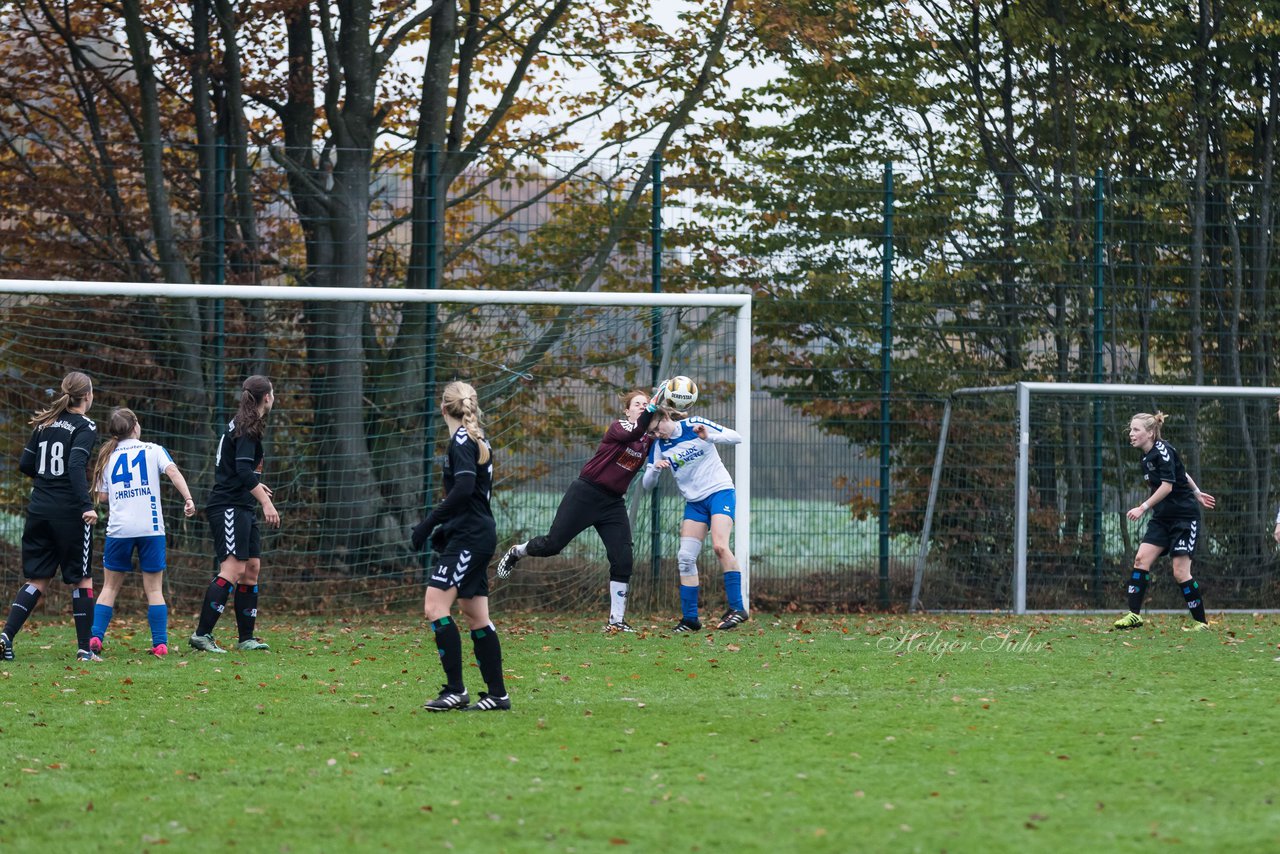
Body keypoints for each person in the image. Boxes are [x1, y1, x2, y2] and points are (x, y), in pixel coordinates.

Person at [495, 385, 666, 634]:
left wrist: (671, 407)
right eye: (637, 404)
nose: (642, 406)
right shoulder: (620, 427)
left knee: (623, 558)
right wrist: (651, 408)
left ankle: (616, 620)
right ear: (627, 411)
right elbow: (635, 432)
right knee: (552, 545)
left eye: (645, 403)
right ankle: (517, 551)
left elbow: (660, 432)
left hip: (613, 503)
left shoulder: (649, 442)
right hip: (586, 493)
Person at [410, 381, 508, 711]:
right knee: (475, 614)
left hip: (469, 538)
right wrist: (446, 526)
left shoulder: (462, 441)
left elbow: (465, 489)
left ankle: (455, 690)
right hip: (473, 534)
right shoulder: (474, 439)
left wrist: (428, 524)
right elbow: (470, 496)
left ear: (442, 409)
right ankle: (498, 695)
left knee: (435, 607)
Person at [0, 371, 100, 662]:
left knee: (38, 579)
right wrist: (86, 505)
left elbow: (25, 464)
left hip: (39, 510)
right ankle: (85, 649)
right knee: (82, 580)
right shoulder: (86, 425)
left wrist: (46, 481)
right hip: (68, 513)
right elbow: (75, 465)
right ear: (88, 395)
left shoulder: (45, 424)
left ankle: (6, 636)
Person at [89, 408, 197, 658]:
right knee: (154, 590)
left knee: (109, 588)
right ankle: (160, 643)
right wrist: (188, 498)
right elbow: (172, 472)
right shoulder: (153, 449)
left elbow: (102, 496)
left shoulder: (107, 457)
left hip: (119, 529)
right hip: (151, 527)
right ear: (135, 426)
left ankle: (95, 638)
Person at [190, 375, 280, 653]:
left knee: (251, 569)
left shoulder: (246, 424)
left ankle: (246, 638)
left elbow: (239, 469)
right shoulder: (247, 428)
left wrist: (256, 486)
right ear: (267, 397)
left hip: (241, 504)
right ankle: (202, 635)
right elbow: (241, 470)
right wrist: (266, 502)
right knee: (233, 569)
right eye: (273, 393)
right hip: (227, 506)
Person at [642, 407, 749, 633]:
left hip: (720, 492)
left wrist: (709, 437)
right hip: (695, 503)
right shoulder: (659, 447)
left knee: (720, 546)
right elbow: (647, 484)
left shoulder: (695, 425)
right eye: (652, 433)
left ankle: (738, 609)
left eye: (656, 429)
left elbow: (736, 437)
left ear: (665, 417)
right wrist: (656, 471)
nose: (657, 434)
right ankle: (690, 620)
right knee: (685, 557)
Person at [1114, 411, 1216, 632]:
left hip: (1184, 518)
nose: (1131, 434)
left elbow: (1168, 486)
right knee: (1141, 560)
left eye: (1136, 430)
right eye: (1130, 429)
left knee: (1180, 572)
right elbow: (1182, 472)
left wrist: (1142, 507)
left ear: (1150, 432)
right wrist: (1197, 491)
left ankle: (1201, 622)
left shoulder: (1163, 451)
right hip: (1162, 519)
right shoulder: (1146, 456)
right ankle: (1134, 615)